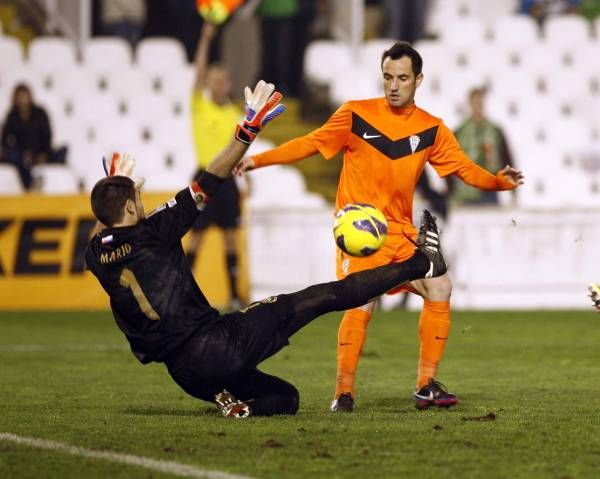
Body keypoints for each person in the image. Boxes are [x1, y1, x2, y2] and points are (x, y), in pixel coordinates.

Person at [85, 80, 448, 418]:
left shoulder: (96, 256)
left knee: (286, 398)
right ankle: (419, 263)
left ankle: (233, 405)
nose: (144, 201)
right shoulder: (155, 231)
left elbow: (106, 222)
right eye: (137, 197)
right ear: (131, 209)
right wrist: (247, 132)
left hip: (187, 376)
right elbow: (212, 176)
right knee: (323, 296)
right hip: (218, 344)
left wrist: (114, 187)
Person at [234, 41, 524, 412]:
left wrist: (498, 181)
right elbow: (312, 142)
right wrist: (257, 160)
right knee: (362, 303)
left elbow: (464, 169)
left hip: (401, 234)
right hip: (362, 237)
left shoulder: (431, 129)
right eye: (387, 77)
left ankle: (425, 385)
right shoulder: (356, 115)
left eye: (402, 78)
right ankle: (343, 392)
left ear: (418, 80)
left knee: (440, 285)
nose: (393, 85)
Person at [185, 21, 244, 309]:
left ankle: (233, 294)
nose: (220, 84)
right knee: (196, 236)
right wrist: (205, 38)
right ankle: (181, 293)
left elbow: (238, 148)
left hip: (228, 180)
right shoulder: (200, 104)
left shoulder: (235, 113)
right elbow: (197, 70)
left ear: (229, 84)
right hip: (205, 176)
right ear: (209, 82)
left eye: (224, 80)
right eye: (215, 79)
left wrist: (247, 171)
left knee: (230, 237)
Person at [450, 87, 515, 205]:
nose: (477, 106)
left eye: (480, 102)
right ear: (469, 104)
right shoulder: (459, 132)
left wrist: (513, 191)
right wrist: (451, 194)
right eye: (475, 102)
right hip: (466, 192)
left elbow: (507, 159)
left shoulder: (495, 131)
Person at [1, 83, 52, 190]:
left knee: (60, 152)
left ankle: (30, 184)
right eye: (19, 96)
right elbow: (6, 140)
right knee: (18, 158)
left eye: (24, 96)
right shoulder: (12, 116)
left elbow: (46, 136)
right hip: (19, 154)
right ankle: (30, 185)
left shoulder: (40, 113)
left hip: (38, 153)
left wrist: (42, 153)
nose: (22, 100)